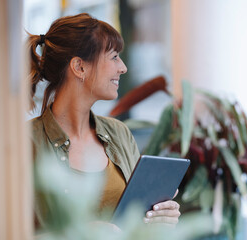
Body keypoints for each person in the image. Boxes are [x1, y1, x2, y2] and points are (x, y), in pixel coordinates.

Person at [28, 13, 181, 231]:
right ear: (79, 67)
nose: (123, 67)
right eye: (114, 57)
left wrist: (161, 218)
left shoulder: (120, 133)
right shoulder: (26, 143)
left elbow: (139, 225)